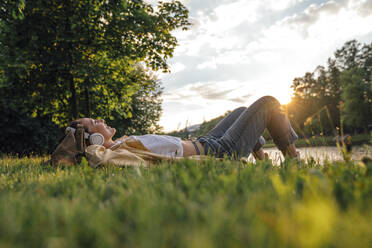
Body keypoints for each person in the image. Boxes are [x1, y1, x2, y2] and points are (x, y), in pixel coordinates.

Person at [69, 96, 298, 161]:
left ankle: (262, 161)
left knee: (240, 110)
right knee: (269, 103)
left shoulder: (122, 143)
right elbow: (89, 154)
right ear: (96, 138)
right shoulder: (113, 152)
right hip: (219, 150)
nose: (100, 119)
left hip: (206, 141)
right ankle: (294, 158)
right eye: (94, 121)